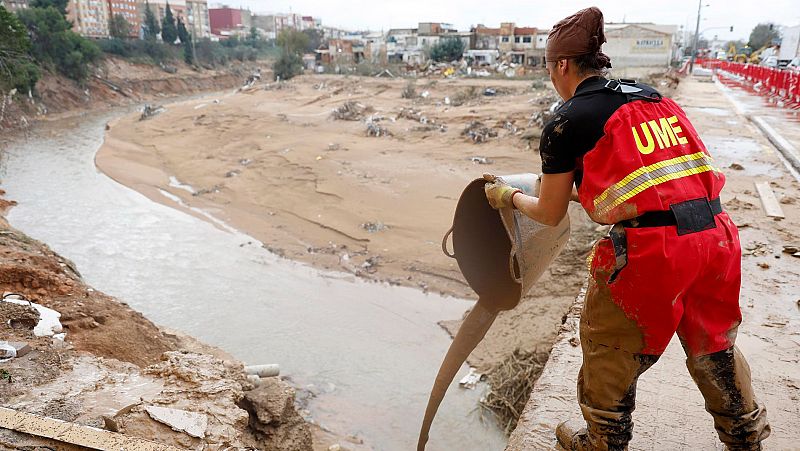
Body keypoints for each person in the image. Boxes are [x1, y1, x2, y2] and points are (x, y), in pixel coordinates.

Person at [483, 7, 770, 451]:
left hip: (654, 253)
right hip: (716, 237)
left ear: (562, 65)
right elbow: (654, 181)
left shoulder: (566, 120)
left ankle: (603, 440)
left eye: (548, 68)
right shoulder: (650, 97)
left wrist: (507, 196)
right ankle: (746, 438)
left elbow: (548, 214)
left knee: (608, 346)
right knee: (715, 346)